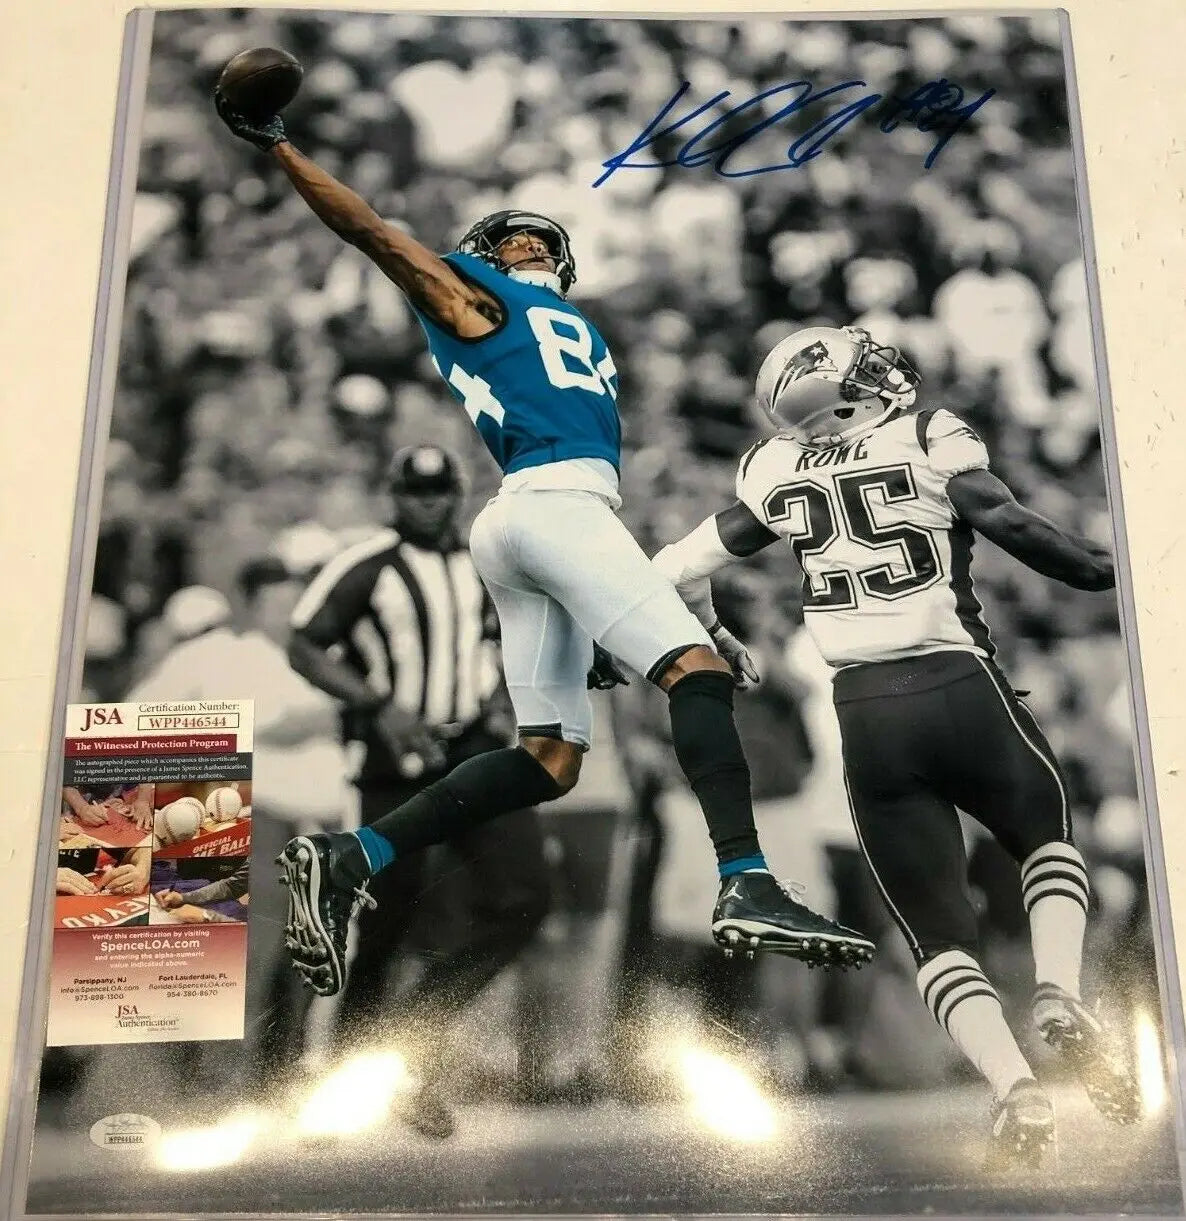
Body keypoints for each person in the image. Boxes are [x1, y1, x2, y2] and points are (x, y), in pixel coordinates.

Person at [213, 84, 875, 1002]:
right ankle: (746, 878)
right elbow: (371, 231)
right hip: (554, 507)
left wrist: (697, 614)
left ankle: (349, 853)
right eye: (514, 241)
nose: (528, 248)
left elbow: (603, 513)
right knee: (695, 677)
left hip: (536, 522)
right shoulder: (497, 305)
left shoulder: (571, 328)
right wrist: (282, 148)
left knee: (550, 758)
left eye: (537, 241)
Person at [650, 324, 1140, 1167]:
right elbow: (1012, 523)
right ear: (844, 390)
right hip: (957, 680)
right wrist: (1109, 572)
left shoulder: (772, 468)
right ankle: (1059, 989)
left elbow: (673, 568)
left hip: (866, 711)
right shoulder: (927, 433)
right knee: (1045, 840)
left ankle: (1014, 1087)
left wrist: (719, 633)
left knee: (937, 931)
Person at [286, 444, 551, 1136]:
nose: (428, 503)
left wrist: (501, 701)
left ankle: (408, 1043)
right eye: (415, 492)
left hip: (470, 752)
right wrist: (378, 705)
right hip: (392, 759)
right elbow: (304, 643)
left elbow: (509, 637)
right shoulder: (367, 562)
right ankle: (341, 1081)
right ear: (394, 495)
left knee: (524, 897)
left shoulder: (483, 562)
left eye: (439, 491)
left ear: (458, 495)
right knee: (383, 920)